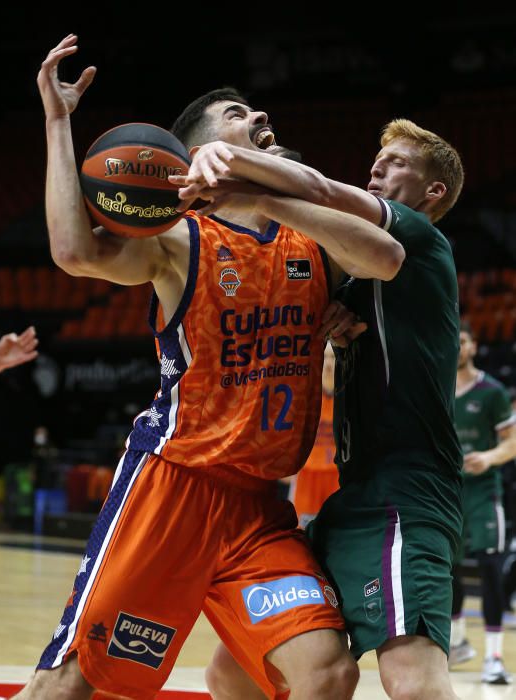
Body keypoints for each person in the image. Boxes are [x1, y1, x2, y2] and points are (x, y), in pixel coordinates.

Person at [15, 34, 405, 700]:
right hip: (173, 489)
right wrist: (58, 123)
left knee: (327, 673)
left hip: (258, 510)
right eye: (236, 115)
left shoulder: (309, 233)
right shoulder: (179, 239)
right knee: (76, 682)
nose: (257, 118)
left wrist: (278, 213)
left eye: (257, 114)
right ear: (197, 153)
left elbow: (385, 257)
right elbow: (75, 251)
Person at [176, 119, 465, 699]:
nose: (379, 166)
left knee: (410, 678)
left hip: (406, 492)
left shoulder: (421, 240)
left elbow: (324, 191)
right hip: (352, 495)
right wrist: (335, 337)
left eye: (400, 161)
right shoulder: (351, 279)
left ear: (434, 192)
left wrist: (232, 165)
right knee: (233, 670)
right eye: (378, 157)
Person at [449, 321, 516, 684]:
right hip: (447, 492)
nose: (457, 348)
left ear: (474, 346)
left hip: (484, 491)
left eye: (463, 342)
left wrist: (489, 458)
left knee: (490, 568)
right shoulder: (437, 388)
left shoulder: (492, 392)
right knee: (448, 570)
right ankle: (458, 643)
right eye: (453, 342)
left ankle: (493, 658)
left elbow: (512, 442)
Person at [287, 342, 339, 529]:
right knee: (302, 537)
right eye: (325, 357)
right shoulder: (305, 394)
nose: (328, 364)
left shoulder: (349, 396)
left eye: (333, 358)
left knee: (336, 536)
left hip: (337, 478)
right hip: (307, 479)